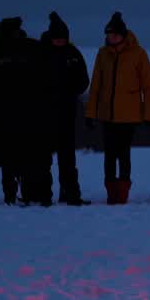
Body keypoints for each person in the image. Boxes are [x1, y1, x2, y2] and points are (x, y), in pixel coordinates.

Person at [85, 12, 150, 205]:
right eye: (109, 35)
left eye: (115, 34)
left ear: (123, 35)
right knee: (109, 154)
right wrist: (90, 113)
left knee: (123, 153)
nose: (112, 38)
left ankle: (122, 194)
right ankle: (111, 193)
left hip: (129, 114)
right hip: (107, 114)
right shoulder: (103, 53)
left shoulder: (138, 53)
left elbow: (148, 85)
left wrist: (149, 114)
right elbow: (96, 85)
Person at [0, 17, 47, 206]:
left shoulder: (30, 49)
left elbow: (41, 79)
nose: (16, 33)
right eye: (13, 30)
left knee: (22, 157)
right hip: (1, 116)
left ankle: (19, 193)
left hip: (25, 115)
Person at [41, 11, 90, 205]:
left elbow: (83, 79)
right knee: (44, 157)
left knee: (67, 156)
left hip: (68, 111)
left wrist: (72, 90)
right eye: (58, 39)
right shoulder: (41, 54)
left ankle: (71, 194)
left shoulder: (73, 53)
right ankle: (44, 195)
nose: (61, 42)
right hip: (45, 113)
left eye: (63, 39)